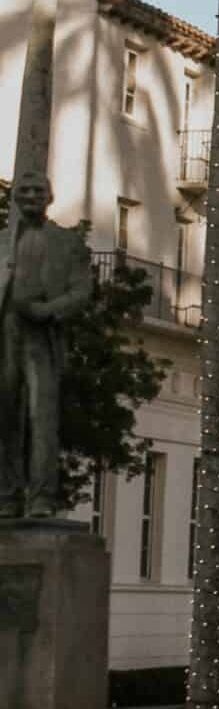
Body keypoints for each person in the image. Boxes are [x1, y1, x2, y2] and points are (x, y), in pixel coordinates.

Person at [0, 174, 94, 520]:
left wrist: (48, 310)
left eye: (38, 191)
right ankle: (6, 497)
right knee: (5, 417)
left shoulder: (66, 243)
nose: (30, 196)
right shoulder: (2, 242)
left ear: (49, 197)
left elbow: (81, 291)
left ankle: (41, 498)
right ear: (14, 197)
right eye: (23, 190)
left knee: (41, 418)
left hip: (42, 333)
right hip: (6, 330)